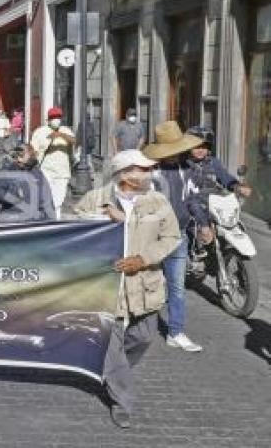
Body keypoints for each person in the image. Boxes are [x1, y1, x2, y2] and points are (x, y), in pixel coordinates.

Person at [74, 149, 180, 428]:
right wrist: (98, 222)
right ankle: (122, 400)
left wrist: (143, 258)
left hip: (145, 284)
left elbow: (171, 237)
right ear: (124, 174)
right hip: (107, 284)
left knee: (144, 337)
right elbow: (73, 235)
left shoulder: (158, 201)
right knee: (111, 344)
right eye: (142, 170)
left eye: (149, 170)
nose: (148, 174)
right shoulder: (95, 199)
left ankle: (111, 370)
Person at [142, 121, 205, 353]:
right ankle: (137, 327)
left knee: (177, 286)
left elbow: (192, 200)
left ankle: (175, 332)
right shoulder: (150, 172)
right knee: (147, 283)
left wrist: (203, 223)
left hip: (178, 235)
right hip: (152, 237)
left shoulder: (187, 169)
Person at [184, 125, 252, 250]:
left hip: (213, 205)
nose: (201, 150)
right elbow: (187, 197)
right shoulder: (183, 165)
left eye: (204, 147)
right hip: (191, 206)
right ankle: (193, 251)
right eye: (197, 146)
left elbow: (224, 176)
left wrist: (237, 186)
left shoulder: (213, 162)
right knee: (191, 229)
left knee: (235, 223)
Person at [0, 143, 55, 223]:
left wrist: (51, 222)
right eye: (29, 154)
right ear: (19, 157)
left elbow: (47, 201)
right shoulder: (8, 170)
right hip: (11, 220)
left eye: (32, 154)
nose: (32, 156)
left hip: (34, 222)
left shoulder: (37, 173)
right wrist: (14, 196)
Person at [30, 107, 75, 218]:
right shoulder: (40, 132)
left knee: (58, 200)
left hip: (62, 172)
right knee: (46, 197)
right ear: (48, 119)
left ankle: (56, 219)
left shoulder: (66, 130)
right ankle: (46, 218)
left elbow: (74, 141)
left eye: (58, 117)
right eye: (53, 117)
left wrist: (60, 135)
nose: (56, 119)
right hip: (46, 170)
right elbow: (33, 150)